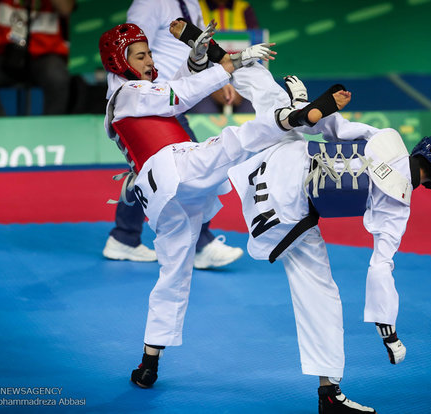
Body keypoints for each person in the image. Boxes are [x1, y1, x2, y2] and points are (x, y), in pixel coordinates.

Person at [97, 20, 351, 392]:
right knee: (234, 141)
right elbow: (178, 96)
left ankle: (149, 362)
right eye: (140, 55)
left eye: (150, 52)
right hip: (174, 167)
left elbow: (175, 88)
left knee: (174, 273)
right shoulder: (126, 93)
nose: (150, 59)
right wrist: (229, 63)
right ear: (119, 62)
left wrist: (196, 59)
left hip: (165, 199)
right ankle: (294, 115)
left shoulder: (139, 92)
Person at [227, 76, 431, 413]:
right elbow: (380, 268)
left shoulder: (388, 139)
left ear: (424, 146)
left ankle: (256, 79)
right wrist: (389, 332)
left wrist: (312, 105)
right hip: (281, 212)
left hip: (271, 161)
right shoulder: (397, 208)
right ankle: (329, 394)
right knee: (320, 295)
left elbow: (333, 127)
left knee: (277, 110)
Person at [103, 0, 242, 267]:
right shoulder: (148, 3)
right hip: (150, 100)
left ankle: (124, 237)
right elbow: (126, 53)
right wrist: (128, 101)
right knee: (192, 168)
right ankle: (200, 245)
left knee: (150, 172)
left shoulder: (192, 3)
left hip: (177, 90)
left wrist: (215, 77)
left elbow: (200, 45)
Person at [0, 0, 75, 116]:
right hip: (6, 52)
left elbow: (66, 9)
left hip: (45, 53)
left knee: (57, 77)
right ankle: (0, 129)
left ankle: (50, 130)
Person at [188, 0, 260, 114]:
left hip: (241, 84)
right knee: (203, 114)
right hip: (203, 84)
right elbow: (189, 53)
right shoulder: (196, 7)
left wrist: (241, 88)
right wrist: (211, 87)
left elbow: (255, 53)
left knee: (252, 112)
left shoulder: (244, 8)